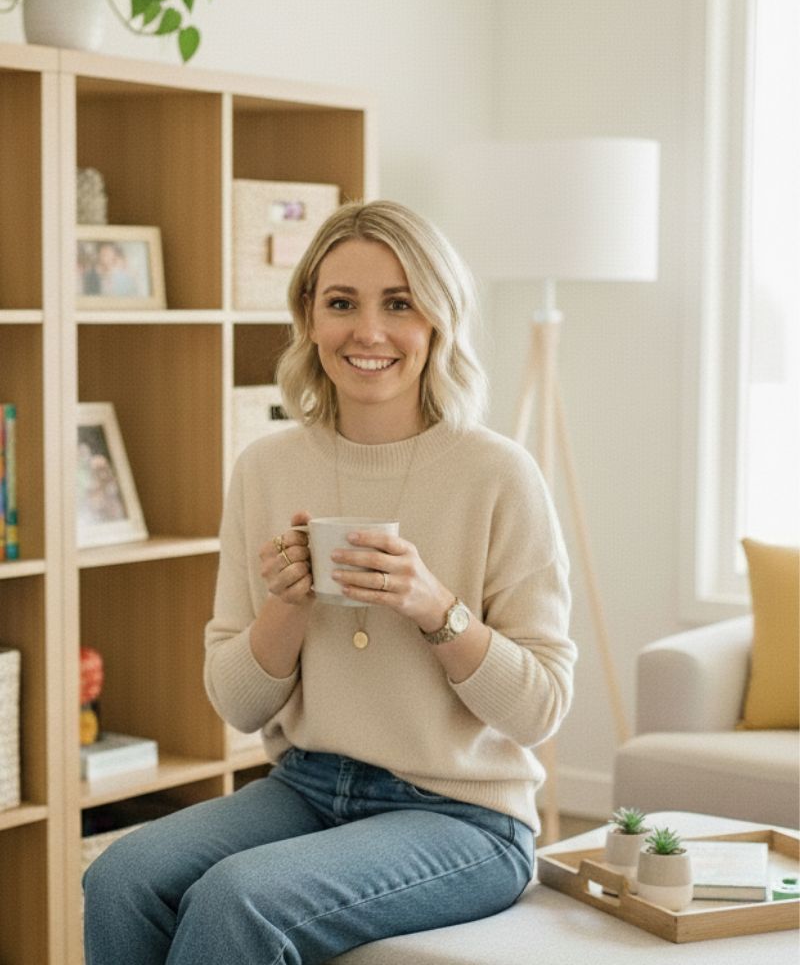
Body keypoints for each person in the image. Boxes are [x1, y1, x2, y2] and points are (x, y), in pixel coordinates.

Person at [83, 200, 576, 965]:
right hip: (308, 786)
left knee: (237, 898)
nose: (368, 332)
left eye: (399, 304)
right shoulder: (268, 468)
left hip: (464, 815)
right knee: (122, 876)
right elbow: (237, 702)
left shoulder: (497, 474)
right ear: (308, 316)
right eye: (341, 302)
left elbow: (540, 707)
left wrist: (434, 608)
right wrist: (286, 605)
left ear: (438, 320)